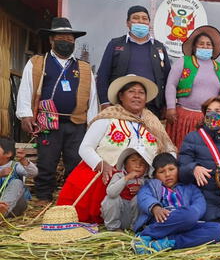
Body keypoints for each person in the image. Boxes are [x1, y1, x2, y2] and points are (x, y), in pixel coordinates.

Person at [57, 75, 176, 223]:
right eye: (132, 91)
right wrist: (102, 164)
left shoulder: (152, 122)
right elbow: (85, 148)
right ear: (121, 96)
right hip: (106, 175)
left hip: (142, 178)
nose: (137, 96)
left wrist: (156, 175)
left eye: (141, 92)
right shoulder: (108, 117)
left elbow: (170, 150)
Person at [15, 17, 98, 203]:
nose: (66, 43)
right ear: (51, 40)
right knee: (46, 162)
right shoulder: (37, 63)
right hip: (48, 123)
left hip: (76, 124)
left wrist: (92, 123)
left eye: (70, 39)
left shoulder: (83, 68)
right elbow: (26, 88)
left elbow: (92, 98)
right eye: (61, 38)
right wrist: (25, 115)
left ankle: (71, 200)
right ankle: (43, 198)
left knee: (75, 162)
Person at [178, 95, 220, 234]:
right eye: (209, 111)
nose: (212, 115)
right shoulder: (193, 138)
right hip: (203, 199)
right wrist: (193, 168)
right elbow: (181, 171)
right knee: (215, 230)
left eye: (218, 111)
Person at [133, 153, 220, 253]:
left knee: (217, 229)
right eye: (161, 172)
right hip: (163, 222)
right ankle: (146, 235)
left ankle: (167, 243)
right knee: (188, 216)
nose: (167, 174)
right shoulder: (152, 186)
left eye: (171, 169)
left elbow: (199, 204)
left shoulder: (189, 187)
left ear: (178, 170)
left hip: (186, 223)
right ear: (154, 175)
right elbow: (144, 197)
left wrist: (191, 216)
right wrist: (156, 208)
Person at [96, 5, 171, 118]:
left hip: (152, 109)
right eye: (136, 18)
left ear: (149, 24)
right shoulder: (115, 44)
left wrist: (167, 105)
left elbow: (167, 78)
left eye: (144, 18)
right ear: (128, 23)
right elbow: (103, 75)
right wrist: (104, 102)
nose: (141, 21)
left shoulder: (159, 47)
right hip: (120, 107)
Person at [165, 26, 220, 149]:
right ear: (194, 47)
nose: (205, 46)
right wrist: (171, 107)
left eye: (209, 44)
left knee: (205, 152)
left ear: (213, 48)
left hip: (210, 119)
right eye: (201, 44)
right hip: (184, 117)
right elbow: (171, 84)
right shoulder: (184, 61)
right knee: (181, 150)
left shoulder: (219, 68)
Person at [101, 147, 152, 231]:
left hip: (134, 218)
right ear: (125, 164)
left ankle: (136, 228)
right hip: (119, 214)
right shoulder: (118, 176)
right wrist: (126, 178)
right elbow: (111, 193)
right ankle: (114, 228)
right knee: (111, 199)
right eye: (133, 161)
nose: (138, 165)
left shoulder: (145, 181)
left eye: (143, 163)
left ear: (146, 169)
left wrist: (141, 190)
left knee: (141, 198)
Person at [0, 137, 38, 216]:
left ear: (8, 154)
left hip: (14, 206)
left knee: (17, 182)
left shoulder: (15, 166)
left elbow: (33, 173)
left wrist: (23, 160)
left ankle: (2, 211)